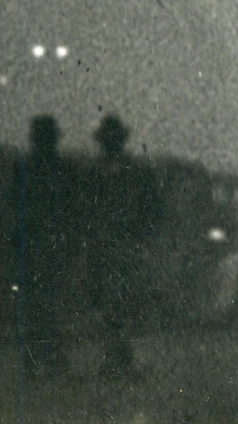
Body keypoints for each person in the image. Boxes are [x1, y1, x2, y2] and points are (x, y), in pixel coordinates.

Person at [14, 115, 68, 376]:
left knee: (39, 302)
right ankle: (46, 357)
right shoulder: (58, 169)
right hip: (41, 241)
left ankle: (41, 357)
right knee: (44, 302)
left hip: (40, 241)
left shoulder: (29, 167)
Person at [87, 113, 138, 382]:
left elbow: (149, 208)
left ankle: (118, 357)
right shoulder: (95, 171)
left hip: (123, 244)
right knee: (105, 302)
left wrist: (138, 234)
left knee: (119, 301)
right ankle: (118, 356)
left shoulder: (133, 171)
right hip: (102, 243)